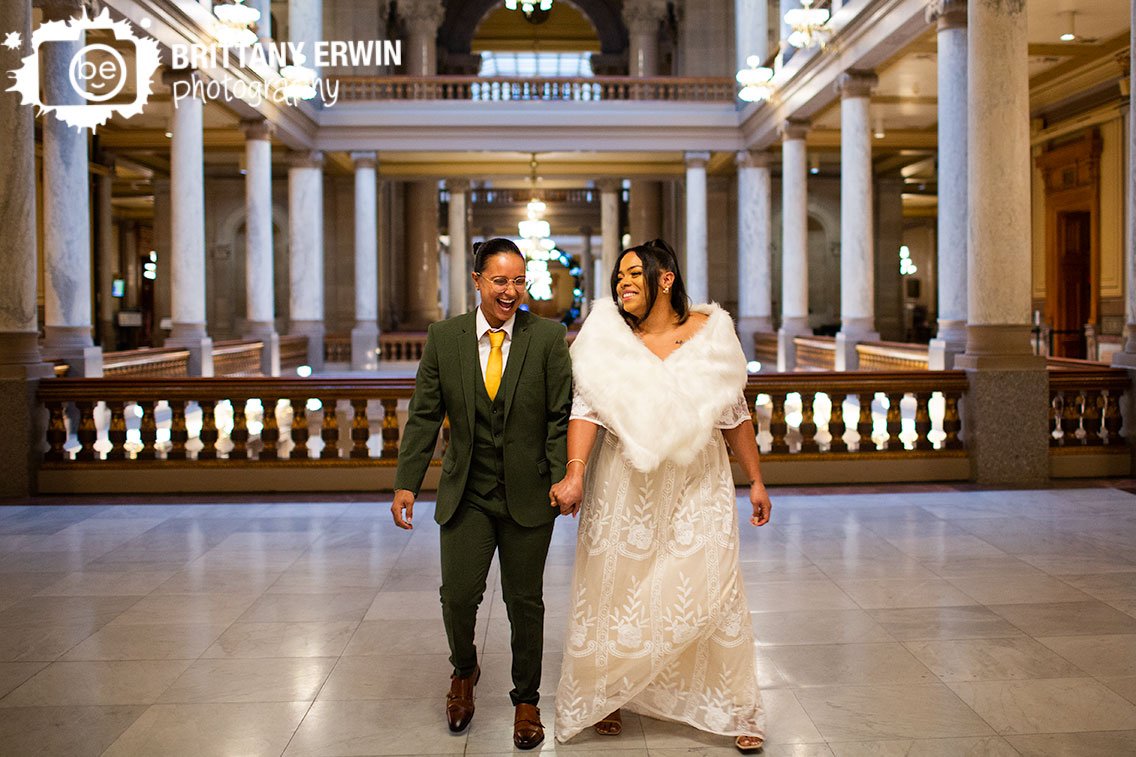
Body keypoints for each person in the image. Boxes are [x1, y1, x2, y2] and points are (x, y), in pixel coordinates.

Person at [549, 238, 771, 753]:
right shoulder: (605, 339)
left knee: (712, 585)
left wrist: (755, 479)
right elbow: (586, 410)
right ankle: (607, 696)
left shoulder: (712, 335)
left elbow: (735, 415)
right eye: (619, 276)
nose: (622, 283)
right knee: (618, 586)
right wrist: (576, 473)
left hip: (699, 481)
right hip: (625, 483)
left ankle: (732, 704)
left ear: (664, 278)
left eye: (633, 274)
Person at [391, 237, 572, 750]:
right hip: (466, 492)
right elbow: (425, 414)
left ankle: (527, 699)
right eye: (500, 280)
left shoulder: (547, 338)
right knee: (458, 596)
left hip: (529, 494)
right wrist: (407, 481)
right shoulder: (444, 338)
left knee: (525, 602)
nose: (511, 291)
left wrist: (562, 475)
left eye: (519, 281)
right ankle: (463, 672)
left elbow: (560, 417)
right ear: (477, 282)